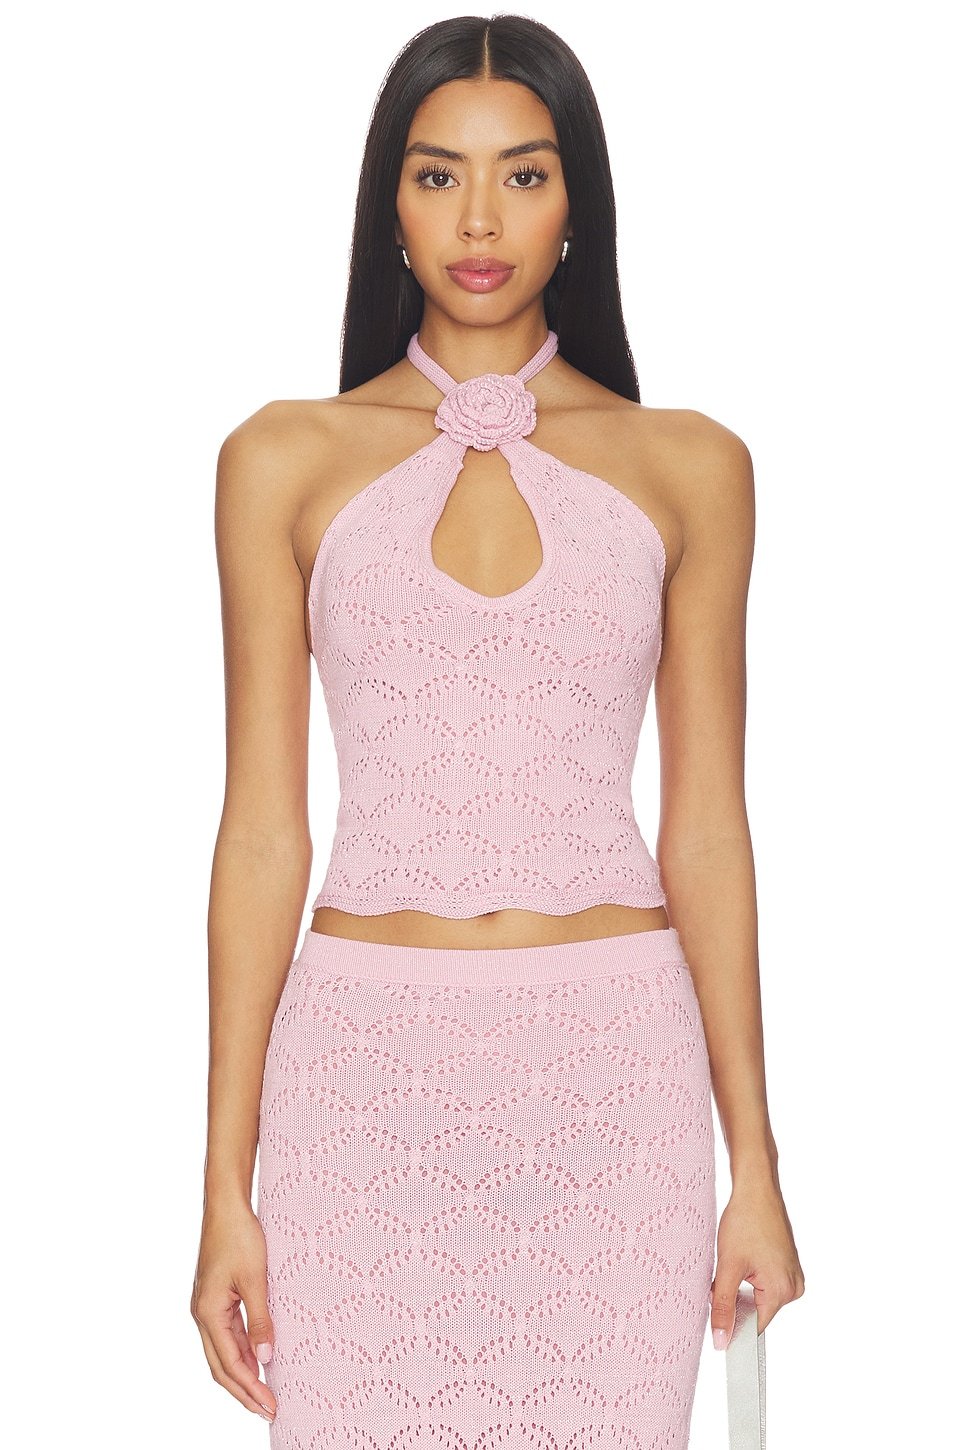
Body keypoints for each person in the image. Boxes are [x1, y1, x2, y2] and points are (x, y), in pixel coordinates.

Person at [191, 14, 805, 1446]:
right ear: (388, 204)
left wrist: (757, 1164)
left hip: (613, 1083)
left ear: (576, 200)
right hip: (361, 1086)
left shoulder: (691, 466)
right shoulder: (279, 458)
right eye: (438, 175)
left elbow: (709, 832)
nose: (480, 220)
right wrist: (224, 1183)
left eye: (523, 175)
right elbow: (263, 833)